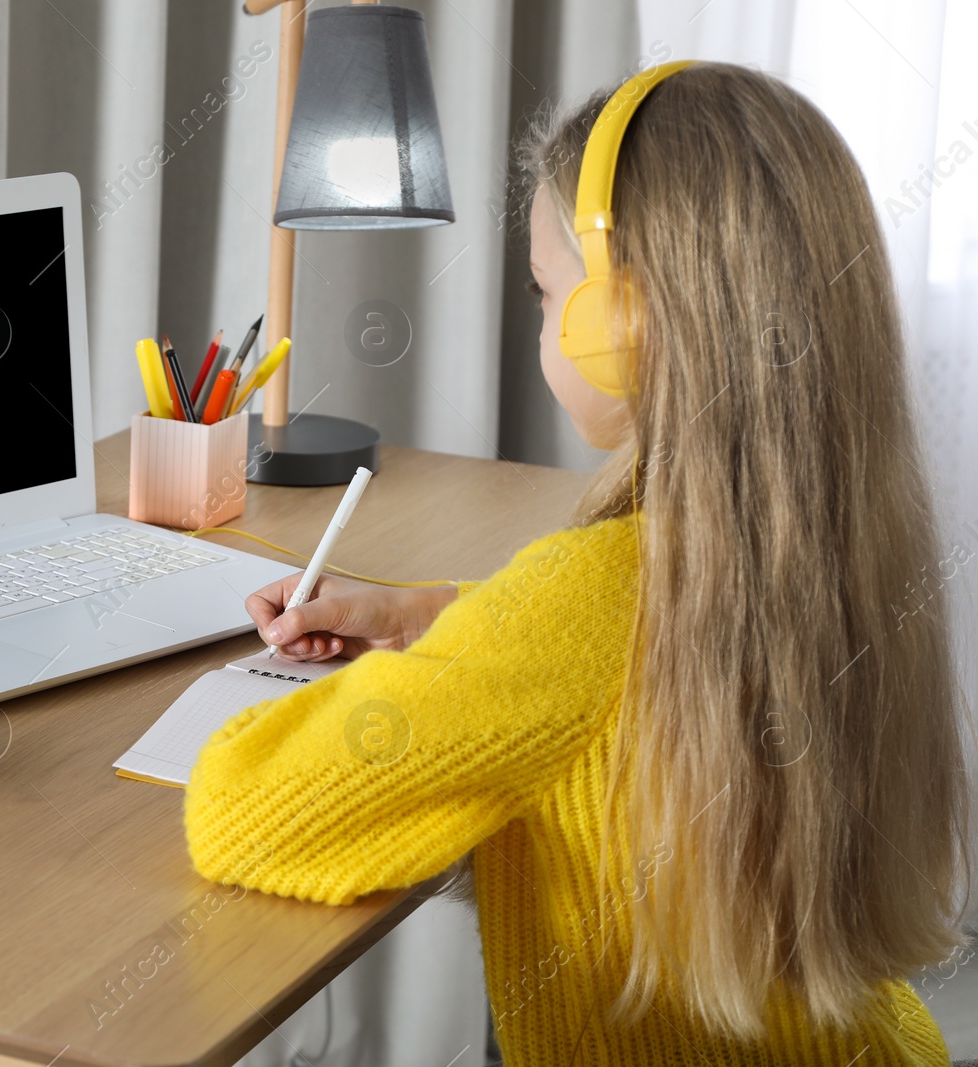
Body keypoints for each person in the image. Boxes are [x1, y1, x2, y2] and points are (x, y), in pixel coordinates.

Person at [184, 61, 971, 1065]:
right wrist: (443, 616)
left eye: (546, 290)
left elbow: (242, 814)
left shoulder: (578, 599)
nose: (542, 317)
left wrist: (431, 669)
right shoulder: (830, 545)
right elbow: (625, 659)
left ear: (623, 323)